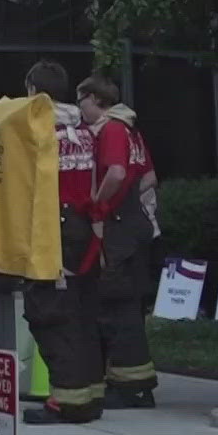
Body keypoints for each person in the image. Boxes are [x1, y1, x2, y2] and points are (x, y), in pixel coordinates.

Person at [22, 60, 102, 425]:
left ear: (34, 92)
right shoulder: (84, 130)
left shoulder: (36, 130)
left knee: (50, 312)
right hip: (83, 226)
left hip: (51, 228)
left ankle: (66, 400)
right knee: (81, 310)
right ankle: (87, 393)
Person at [77, 75, 160, 408]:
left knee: (115, 305)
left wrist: (99, 203)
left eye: (81, 100)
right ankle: (134, 382)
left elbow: (117, 173)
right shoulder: (131, 130)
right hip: (137, 226)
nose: (80, 107)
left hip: (118, 230)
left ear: (96, 99)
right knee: (129, 305)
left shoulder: (111, 129)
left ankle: (131, 387)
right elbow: (149, 177)